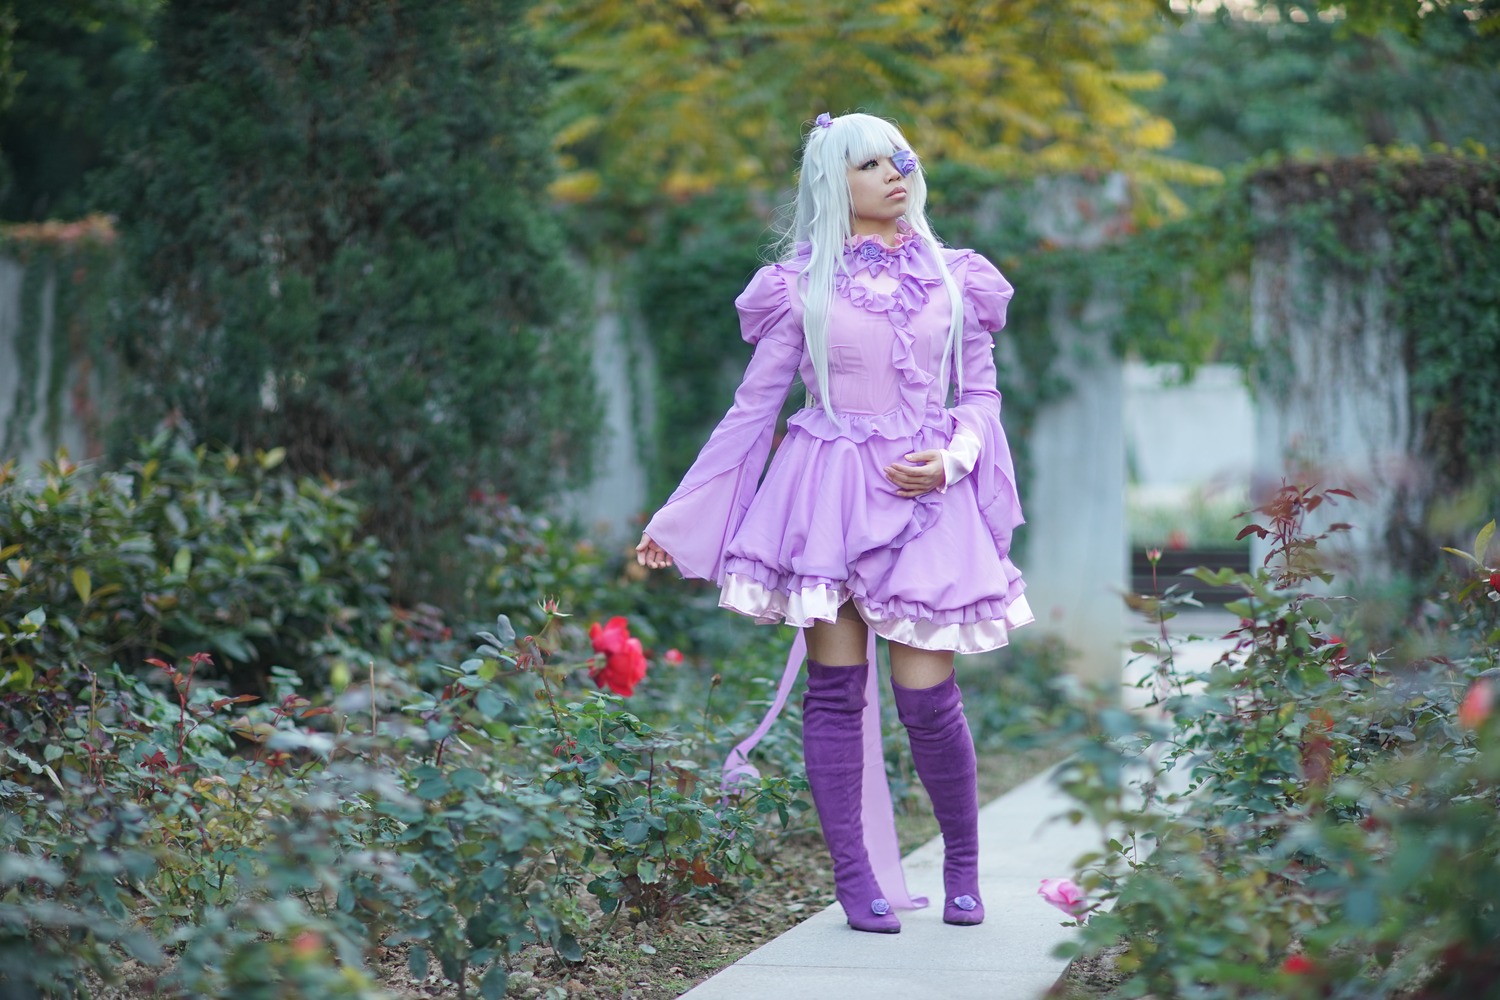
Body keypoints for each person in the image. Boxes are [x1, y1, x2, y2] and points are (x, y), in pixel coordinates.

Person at [635, 111, 1032, 934]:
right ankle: (854, 881)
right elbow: (752, 412)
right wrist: (679, 517)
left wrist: (954, 459)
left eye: (899, 158)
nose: (895, 172)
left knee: (929, 698)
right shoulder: (799, 286)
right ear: (832, 182)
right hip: (823, 500)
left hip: (925, 502)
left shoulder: (958, 278)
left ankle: (962, 864)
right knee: (834, 694)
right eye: (869, 164)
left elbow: (982, 397)